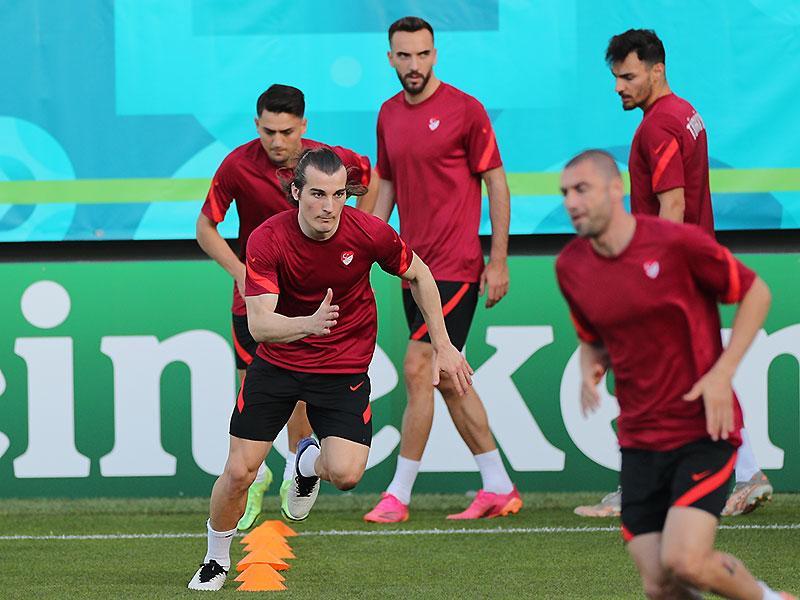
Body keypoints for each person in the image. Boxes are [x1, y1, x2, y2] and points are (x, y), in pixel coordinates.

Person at [188, 148, 473, 591]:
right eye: (318, 194)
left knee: (346, 475)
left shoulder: (369, 232)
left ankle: (305, 463)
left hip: (343, 369)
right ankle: (215, 559)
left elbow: (420, 274)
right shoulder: (268, 239)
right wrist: (308, 324)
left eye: (339, 194)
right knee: (240, 472)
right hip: (279, 365)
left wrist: (444, 344)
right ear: (296, 193)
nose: (329, 206)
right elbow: (260, 325)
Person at [555, 150, 793, 600]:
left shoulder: (676, 243)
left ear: (616, 189)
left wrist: (722, 373)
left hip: (702, 429)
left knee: (686, 561)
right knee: (660, 585)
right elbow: (592, 336)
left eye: (581, 189)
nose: (571, 202)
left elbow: (756, 292)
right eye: (565, 192)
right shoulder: (570, 266)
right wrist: (591, 365)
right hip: (639, 440)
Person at [574, 29, 772, 518]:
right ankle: (742, 472)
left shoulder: (658, 126)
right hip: (692, 267)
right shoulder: (685, 112)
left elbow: (674, 204)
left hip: (670, 274)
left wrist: (654, 275)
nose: (618, 87)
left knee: (648, 376)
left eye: (627, 76)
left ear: (656, 70)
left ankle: (651, 485)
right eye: (615, 77)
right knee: (695, 373)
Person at [196, 84, 376, 529]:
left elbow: (368, 178)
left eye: (287, 131)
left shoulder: (327, 163)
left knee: (302, 389)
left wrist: (361, 236)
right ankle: (252, 480)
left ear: (303, 126)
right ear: (256, 125)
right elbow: (205, 227)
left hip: (314, 298)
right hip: (257, 297)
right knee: (256, 384)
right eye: (269, 131)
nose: (277, 141)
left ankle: (300, 465)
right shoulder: (237, 165)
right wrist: (242, 273)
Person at [362, 16, 519, 523]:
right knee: (450, 377)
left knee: (419, 366)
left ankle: (398, 495)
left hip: (455, 266)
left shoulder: (465, 110)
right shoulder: (388, 114)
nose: (414, 64)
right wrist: (363, 249)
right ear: (391, 59)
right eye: (404, 55)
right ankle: (498, 485)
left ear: (435, 55)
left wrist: (498, 260)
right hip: (412, 268)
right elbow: (386, 185)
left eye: (422, 54)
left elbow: (496, 183)